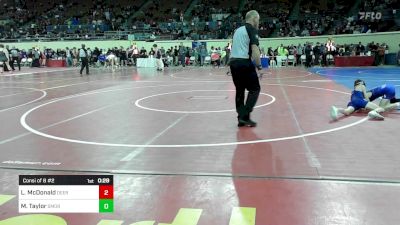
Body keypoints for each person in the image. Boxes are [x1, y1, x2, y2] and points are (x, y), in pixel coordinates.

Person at [229, 10, 262, 127]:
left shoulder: (237, 30)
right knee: (255, 89)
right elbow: (255, 50)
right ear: (253, 19)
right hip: (244, 62)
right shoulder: (252, 30)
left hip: (233, 63)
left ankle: (241, 119)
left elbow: (233, 48)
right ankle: (244, 115)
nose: (258, 21)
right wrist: (259, 66)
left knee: (240, 90)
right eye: (258, 19)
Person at [330, 80, 400, 120]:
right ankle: (374, 112)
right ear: (360, 83)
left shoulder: (353, 92)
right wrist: (368, 105)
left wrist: (364, 107)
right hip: (361, 101)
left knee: (347, 112)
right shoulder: (362, 86)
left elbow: (359, 105)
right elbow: (366, 98)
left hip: (353, 103)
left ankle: (337, 109)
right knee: (381, 108)